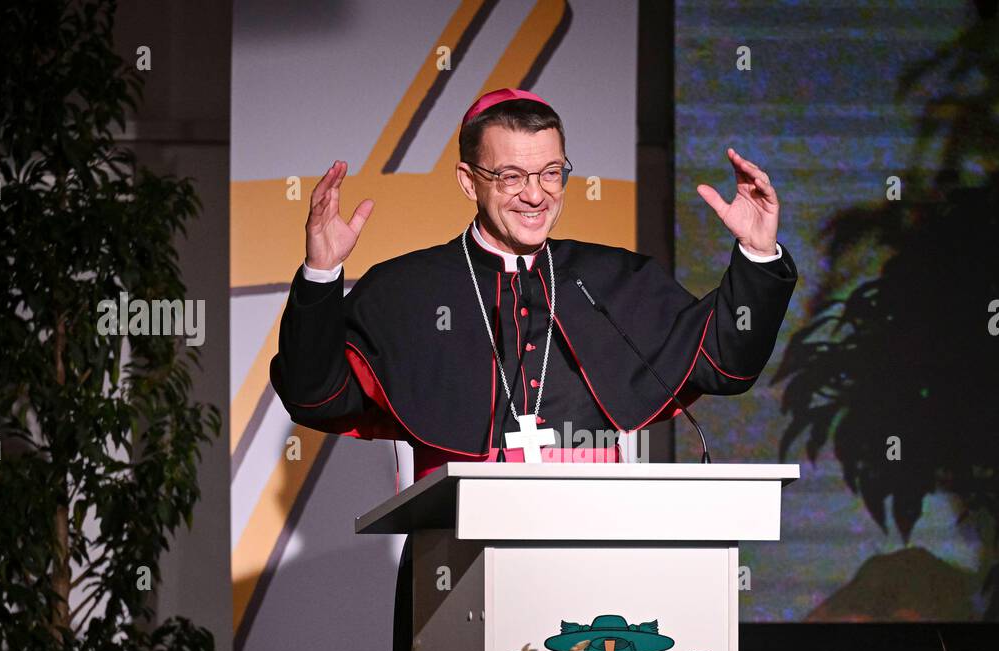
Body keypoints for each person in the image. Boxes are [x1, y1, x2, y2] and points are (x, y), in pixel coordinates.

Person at [269, 88, 798, 480]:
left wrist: (755, 255)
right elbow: (318, 398)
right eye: (512, 177)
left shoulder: (616, 280)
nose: (536, 194)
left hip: (598, 547)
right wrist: (321, 275)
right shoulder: (404, 288)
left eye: (550, 172)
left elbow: (728, 363)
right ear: (467, 180)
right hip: (453, 557)